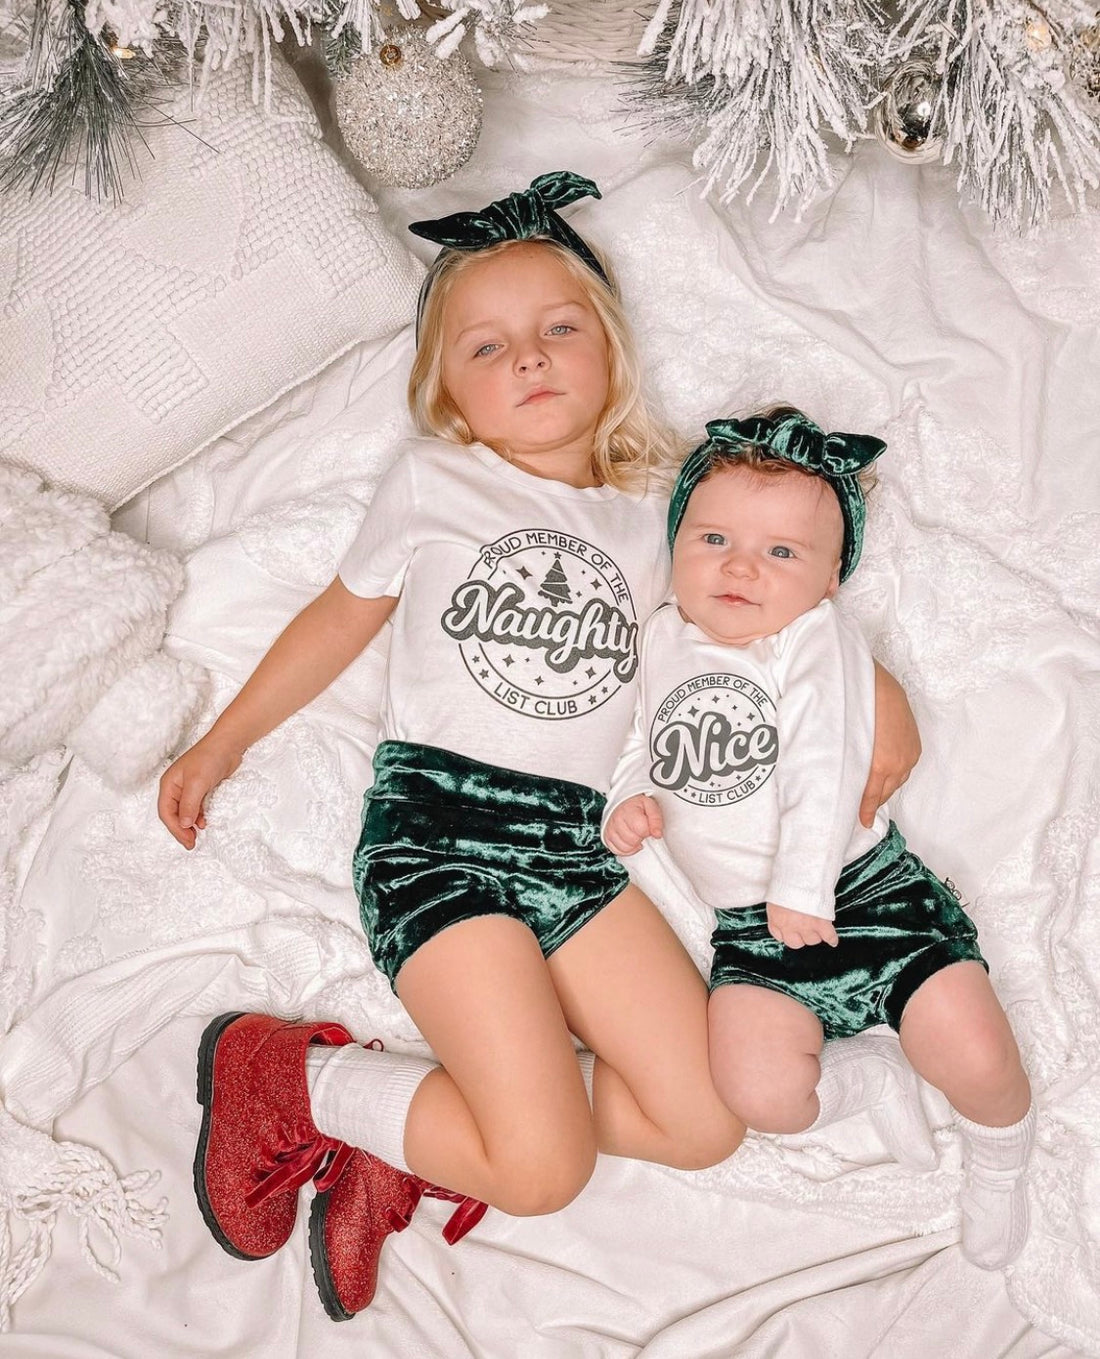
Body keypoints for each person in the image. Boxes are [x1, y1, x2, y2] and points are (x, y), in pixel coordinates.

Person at [157, 176, 923, 1323]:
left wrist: (879, 700)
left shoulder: (661, 518)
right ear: (449, 393)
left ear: (608, 348)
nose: (528, 358)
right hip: (440, 841)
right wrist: (219, 745)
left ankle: (424, 1127)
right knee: (543, 1171)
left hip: (572, 849)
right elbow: (337, 616)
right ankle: (284, 1079)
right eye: (488, 345)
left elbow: (764, 612)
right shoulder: (434, 484)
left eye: (557, 329)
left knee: (703, 1118)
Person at [603, 409, 1035, 1271]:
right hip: (751, 936)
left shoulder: (813, 640)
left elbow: (825, 761)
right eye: (715, 536)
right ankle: (868, 1078)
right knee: (756, 1090)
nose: (739, 566)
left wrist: (804, 882)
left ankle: (1001, 1157)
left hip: (866, 894)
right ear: (676, 540)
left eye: (781, 553)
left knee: (976, 1052)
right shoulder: (659, 639)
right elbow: (635, 736)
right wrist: (630, 798)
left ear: (831, 579)